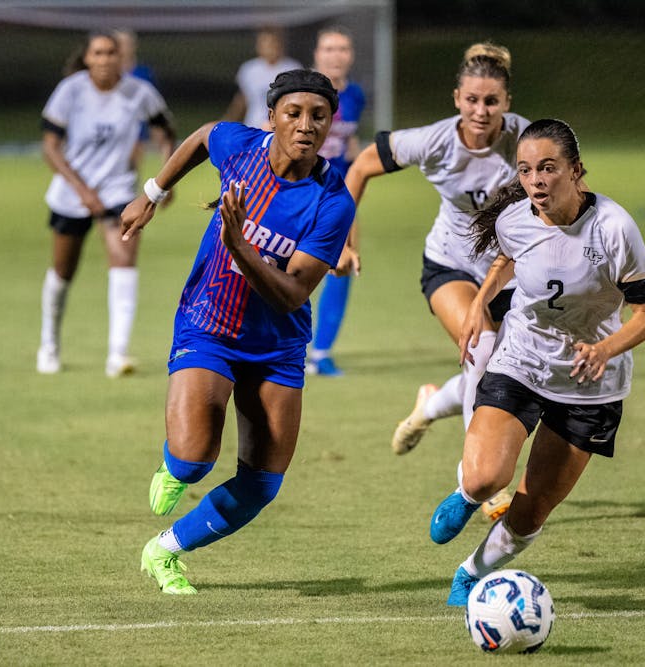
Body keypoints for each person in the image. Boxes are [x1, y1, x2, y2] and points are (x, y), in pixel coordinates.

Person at [121, 70, 354, 595]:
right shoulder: (242, 146)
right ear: (271, 117)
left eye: (318, 116)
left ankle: (165, 550)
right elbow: (205, 134)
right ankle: (175, 465)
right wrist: (152, 194)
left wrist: (242, 246)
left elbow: (293, 293)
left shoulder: (333, 201)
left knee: (262, 484)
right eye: (293, 113)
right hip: (210, 325)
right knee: (194, 458)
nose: (306, 125)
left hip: (277, 346)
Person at [428, 118, 645, 606]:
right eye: (527, 169)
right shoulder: (516, 217)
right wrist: (478, 302)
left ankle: (472, 572)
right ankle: (467, 495)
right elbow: (507, 256)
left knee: (532, 510)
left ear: (576, 172)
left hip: (590, 384)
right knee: (486, 476)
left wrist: (604, 349)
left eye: (549, 169)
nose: (536, 180)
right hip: (523, 359)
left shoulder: (615, 229)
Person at [342, 43, 528, 456]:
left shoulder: (527, 141)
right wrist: (343, 241)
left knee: (519, 372)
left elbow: (576, 194)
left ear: (507, 103)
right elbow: (359, 168)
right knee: (480, 349)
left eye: (492, 101)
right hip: (451, 264)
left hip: (514, 273)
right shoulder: (433, 141)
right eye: (472, 100)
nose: (481, 111)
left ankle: (431, 403)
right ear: (457, 99)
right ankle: (477, 481)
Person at [37, 31, 176, 377]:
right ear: (87, 58)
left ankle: (118, 354)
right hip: (72, 193)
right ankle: (49, 345)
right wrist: (82, 191)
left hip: (118, 191)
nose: (105, 59)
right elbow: (51, 147)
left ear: (121, 57)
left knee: (124, 258)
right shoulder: (70, 90)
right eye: (98, 53)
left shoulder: (138, 92)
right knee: (63, 271)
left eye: (111, 53)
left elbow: (164, 131)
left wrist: (166, 174)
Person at [305, 26, 367, 377]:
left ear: (350, 55)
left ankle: (322, 353)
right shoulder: (303, 90)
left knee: (343, 266)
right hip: (299, 193)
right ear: (317, 54)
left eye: (342, 48)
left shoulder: (355, 95)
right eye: (328, 48)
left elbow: (349, 140)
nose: (335, 55)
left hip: (336, 197)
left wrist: (357, 172)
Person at [223, 27, 302, 130]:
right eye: (265, 44)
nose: (269, 48)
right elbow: (242, 99)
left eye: (272, 44)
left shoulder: (293, 68)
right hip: (253, 127)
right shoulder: (249, 69)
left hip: (282, 129)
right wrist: (228, 120)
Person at [113, 28, 158, 172]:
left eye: (127, 43)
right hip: (113, 124)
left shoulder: (143, 73)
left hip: (137, 125)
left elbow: (153, 103)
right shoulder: (108, 72)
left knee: (131, 166)